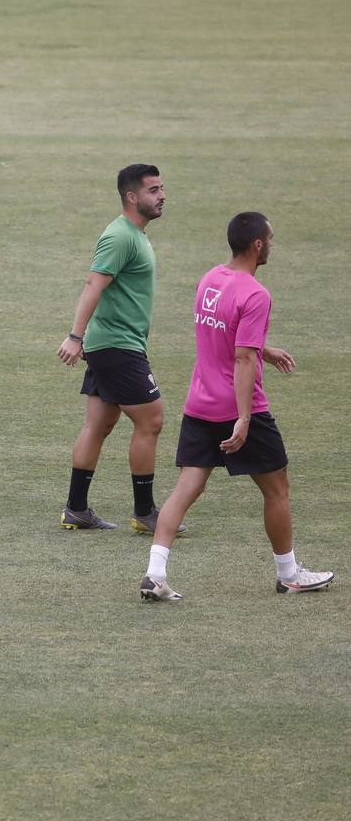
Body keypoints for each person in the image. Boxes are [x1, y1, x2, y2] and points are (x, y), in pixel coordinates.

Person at [139, 213, 333, 601]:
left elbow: (225, 336)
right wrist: (244, 417)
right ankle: (289, 574)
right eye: (271, 239)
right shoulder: (256, 294)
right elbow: (243, 359)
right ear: (257, 245)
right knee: (277, 488)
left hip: (200, 404)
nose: (273, 245)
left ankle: (154, 574)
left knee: (185, 489)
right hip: (240, 407)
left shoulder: (210, 278)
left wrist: (267, 348)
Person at [57, 164, 171, 534]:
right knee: (151, 420)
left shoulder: (134, 234)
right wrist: (75, 337)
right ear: (131, 197)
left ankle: (76, 509)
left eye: (161, 188)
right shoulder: (120, 236)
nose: (162, 195)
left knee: (100, 424)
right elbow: (93, 284)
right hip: (117, 345)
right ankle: (145, 512)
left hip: (112, 343)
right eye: (154, 190)